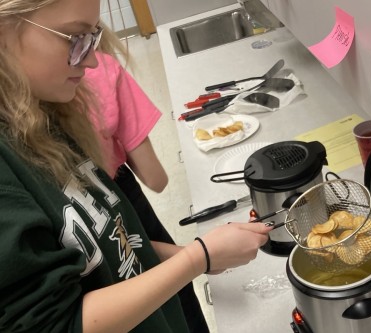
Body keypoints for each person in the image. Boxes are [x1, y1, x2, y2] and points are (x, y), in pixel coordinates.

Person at [0, 1, 273, 332]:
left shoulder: (41, 114)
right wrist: (197, 257)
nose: (88, 60)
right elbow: (58, 323)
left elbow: (113, 245)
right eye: (74, 39)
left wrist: (188, 255)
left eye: (91, 39)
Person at [85, 47, 210, 333]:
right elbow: (156, 179)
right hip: (119, 192)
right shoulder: (101, 68)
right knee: (176, 299)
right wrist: (198, 257)